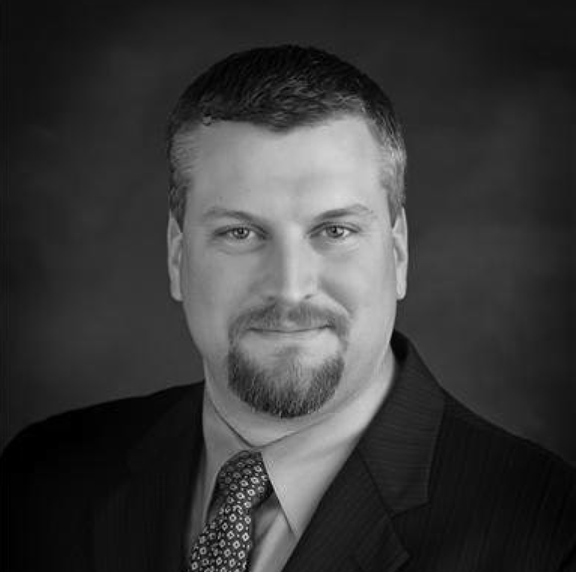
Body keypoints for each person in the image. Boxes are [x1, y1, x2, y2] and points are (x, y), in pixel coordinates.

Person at [2, 45, 575, 572]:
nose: (290, 288)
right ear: (178, 257)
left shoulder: (548, 536)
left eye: (334, 230)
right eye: (240, 233)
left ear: (398, 252)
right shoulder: (43, 477)